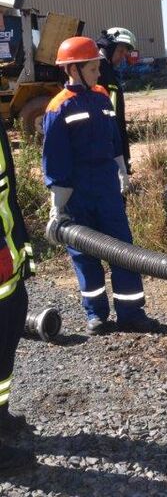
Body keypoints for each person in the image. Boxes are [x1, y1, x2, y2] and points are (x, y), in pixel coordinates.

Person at [42, 36, 156, 335]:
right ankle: (96, 315)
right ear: (73, 69)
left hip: (107, 191)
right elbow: (55, 161)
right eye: (92, 68)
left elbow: (115, 139)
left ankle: (131, 312)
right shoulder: (58, 108)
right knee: (84, 255)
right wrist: (57, 207)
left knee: (122, 250)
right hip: (77, 194)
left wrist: (122, 172)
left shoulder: (102, 97)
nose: (97, 73)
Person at [0, 116, 36, 473]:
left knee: (8, 332)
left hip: (6, 258)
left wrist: (18, 247)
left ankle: (0, 416)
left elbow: (4, 191)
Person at [96, 27, 137, 175]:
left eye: (124, 53)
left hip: (114, 132)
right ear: (109, 47)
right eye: (120, 51)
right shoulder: (99, 69)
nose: (122, 56)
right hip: (106, 137)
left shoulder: (108, 69)